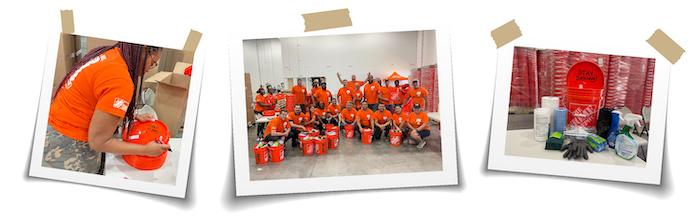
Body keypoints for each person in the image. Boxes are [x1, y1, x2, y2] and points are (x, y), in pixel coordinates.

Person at [43, 42, 170, 174]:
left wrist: (130, 114)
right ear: (143, 50)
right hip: (64, 139)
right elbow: (98, 142)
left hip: (54, 120)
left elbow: (99, 97)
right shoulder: (121, 81)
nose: (151, 68)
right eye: (153, 62)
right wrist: (146, 150)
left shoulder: (111, 54)